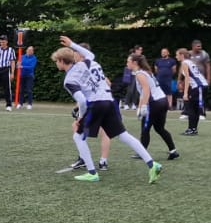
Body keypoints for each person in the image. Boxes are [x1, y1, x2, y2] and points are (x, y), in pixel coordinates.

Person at [55, 36, 163, 183]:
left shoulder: (69, 80)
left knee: (78, 136)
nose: (56, 64)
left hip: (96, 105)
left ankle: (92, 172)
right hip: (110, 102)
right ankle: (152, 164)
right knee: (123, 135)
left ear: (62, 61)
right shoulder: (88, 63)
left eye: (56, 61)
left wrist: (81, 117)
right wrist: (72, 44)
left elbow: (82, 101)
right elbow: (90, 55)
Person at [128, 52, 180, 161]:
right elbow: (143, 92)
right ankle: (173, 151)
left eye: (128, 61)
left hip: (154, 103)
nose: (127, 63)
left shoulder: (140, 74)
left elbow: (146, 90)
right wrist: (140, 107)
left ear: (135, 62)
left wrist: (143, 107)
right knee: (160, 128)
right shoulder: (146, 72)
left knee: (145, 129)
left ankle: (142, 153)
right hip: (163, 101)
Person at [177, 47, 209, 134]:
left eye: (177, 55)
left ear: (182, 55)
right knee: (194, 108)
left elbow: (187, 78)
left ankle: (191, 129)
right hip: (200, 86)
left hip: (198, 86)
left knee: (191, 107)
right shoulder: (190, 62)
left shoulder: (184, 63)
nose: (176, 57)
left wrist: (185, 93)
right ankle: (193, 129)